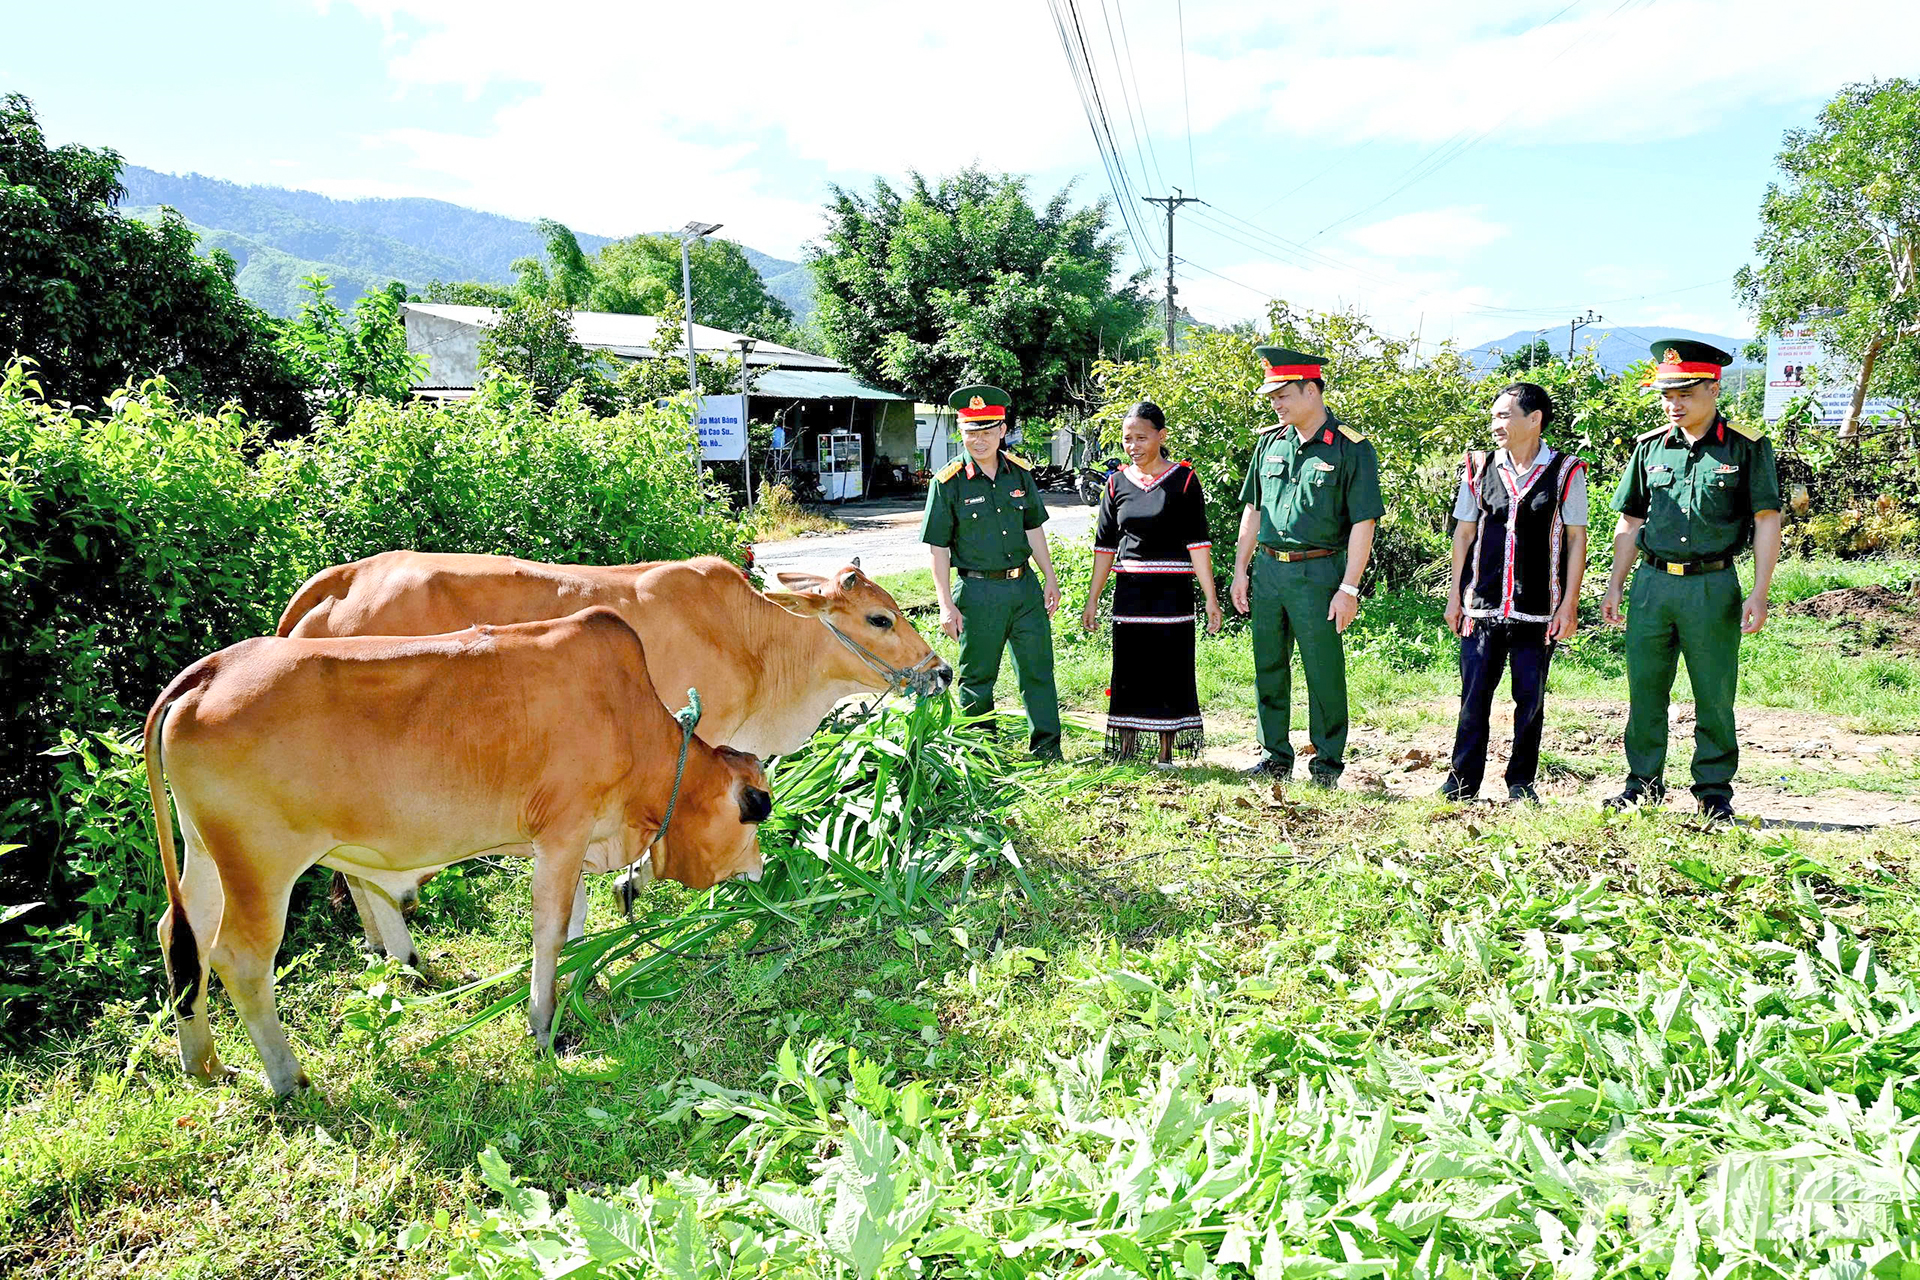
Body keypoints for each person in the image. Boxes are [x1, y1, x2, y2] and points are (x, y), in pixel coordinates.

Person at [1601, 339, 1782, 820]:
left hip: (1712, 586)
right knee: (1645, 689)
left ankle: (1713, 791)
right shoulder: (1649, 447)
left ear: (1713, 389)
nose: (1673, 404)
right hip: (1653, 584)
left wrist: (1760, 591)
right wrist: (1616, 582)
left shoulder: (1746, 447)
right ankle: (1642, 784)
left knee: (1714, 692)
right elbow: (1630, 521)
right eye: (1666, 395)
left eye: (1684, 393)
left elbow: (1767, 519)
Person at [1230, 347, 1383, 787]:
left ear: (1311, 389)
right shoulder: (1270, 442)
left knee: (1323, 670)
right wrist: (1241, 570)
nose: (1276, 404)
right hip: (1269, 571)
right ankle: (1274, 755)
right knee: (1269, 666)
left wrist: (1349, 588)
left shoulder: (1351, 448)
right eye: (1272, 396)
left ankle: (1327, 766)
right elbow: (1253, 511)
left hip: (1319, 574)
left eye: (1283, 394)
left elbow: (1363, 524)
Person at [1440, 382, 1589, 803]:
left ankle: (1521, 782)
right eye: (1494, 415)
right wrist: (1455, 597)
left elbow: (1576, 539)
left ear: (1534, 419)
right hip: (1482, 604)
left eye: (1504, 415)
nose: (1496, 424)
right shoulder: (1477, 466)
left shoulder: (1566, 471)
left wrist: (1569, 604)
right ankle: (1461, 781)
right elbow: (1464, 533)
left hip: (1539, 608)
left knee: (1530, 700)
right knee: (1473, 697)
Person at [921, 384, 1064, 759]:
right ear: (961, 432)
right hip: (977, 593)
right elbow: (938, 549)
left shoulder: (1020, 476)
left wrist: (1049, 576)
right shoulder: (947, 483)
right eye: (971, 432)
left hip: (1024, 591)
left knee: (1037, 671)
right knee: (977, 679)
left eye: (987, 431)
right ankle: (980, 755)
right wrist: (945, 605)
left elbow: (1033, 528)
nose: (978, 440)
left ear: (1002, 430)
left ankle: (1048, 750)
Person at [1081, 401, 1223, 764]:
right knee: (1129, 668)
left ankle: (1165, 752)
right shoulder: (1115, 484)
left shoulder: (1185, 481)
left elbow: (1198, 544)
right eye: (1127, 439)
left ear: (1161, 436)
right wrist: (1092, 599)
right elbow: (1105, 547)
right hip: (1130, 594)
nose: (1133, 446)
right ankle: (1125, 750)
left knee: (1169, 668)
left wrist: (1211, 599)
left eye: (1141, 438)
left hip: (1172, 596)